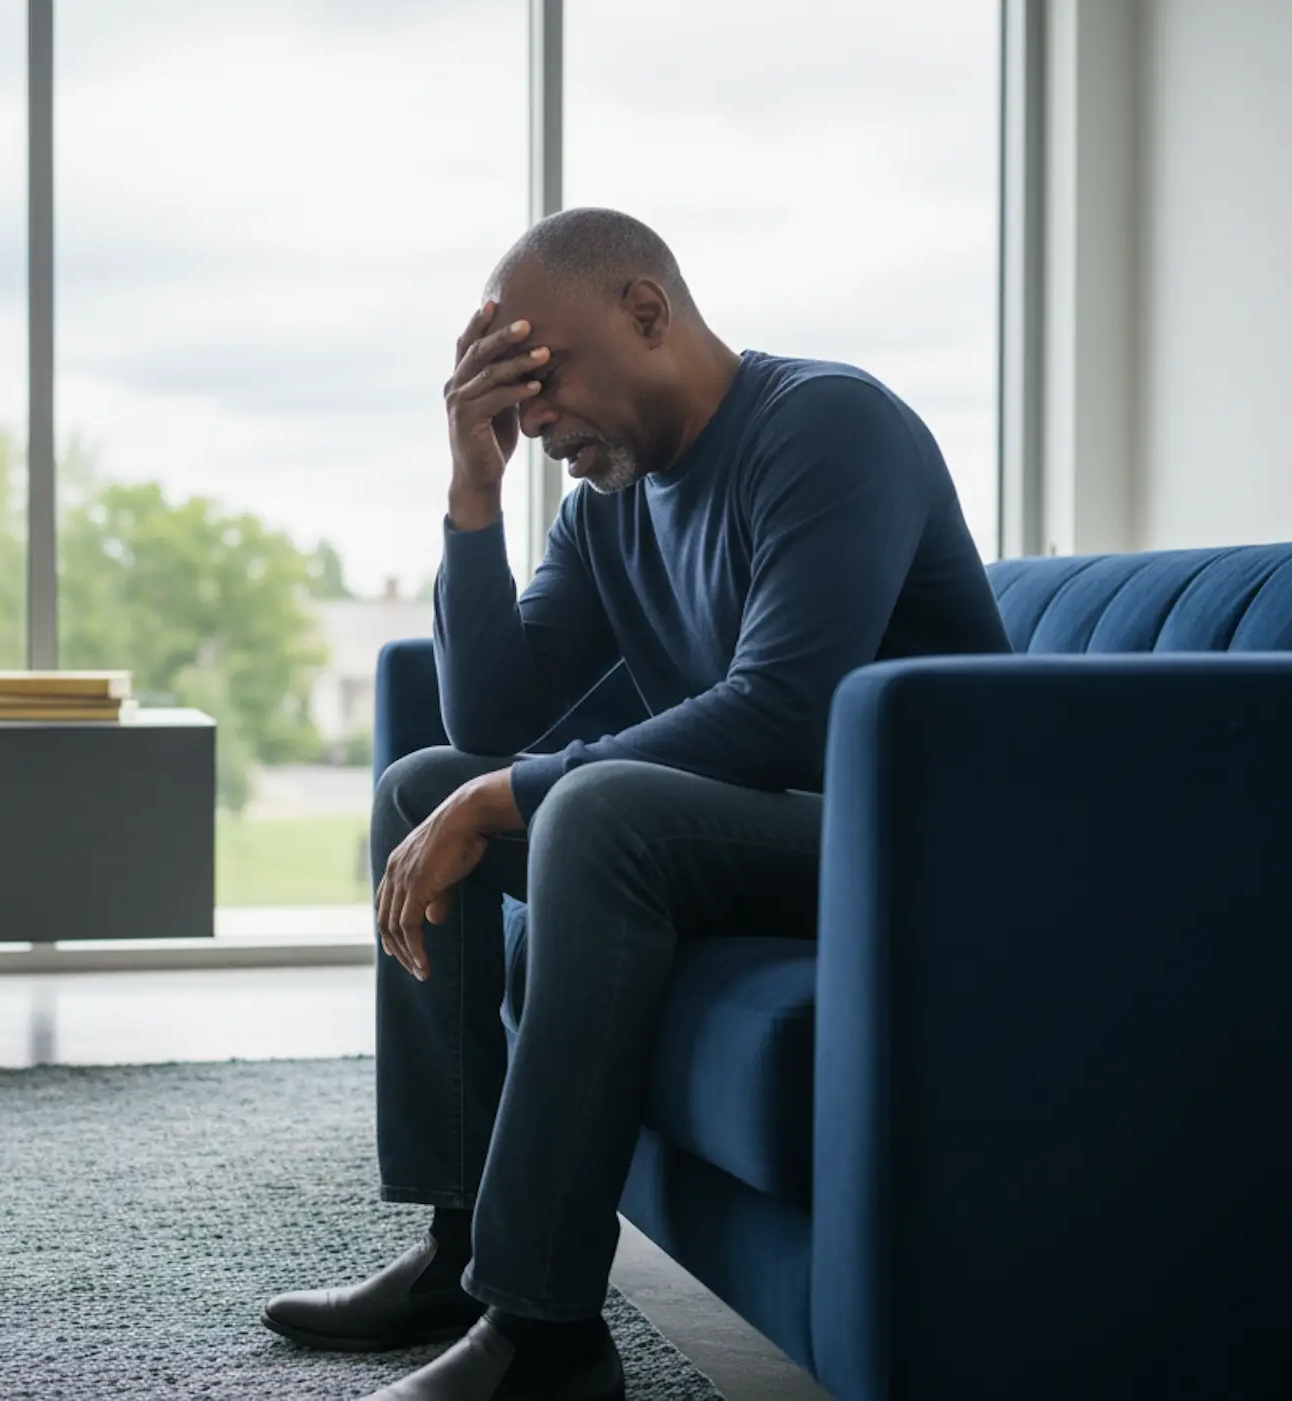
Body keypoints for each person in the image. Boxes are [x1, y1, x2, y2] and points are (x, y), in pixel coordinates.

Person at [261, 208, 1011, 1401]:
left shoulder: (826, 425)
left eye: (541, 374)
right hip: (767, 828)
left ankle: (545, 1332)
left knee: (591, 813)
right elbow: (490, 727)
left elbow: (786, 709)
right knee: (424, 789)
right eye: (505, 388)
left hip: (912, 841)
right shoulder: (608, 503)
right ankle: (463, 1254)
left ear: (646, 313)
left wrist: (513, 796)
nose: (533, 413)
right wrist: (470, 489)